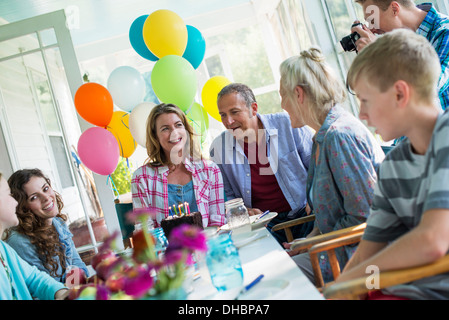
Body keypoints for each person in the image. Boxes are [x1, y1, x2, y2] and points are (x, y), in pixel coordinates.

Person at [336, 29, 449, 300]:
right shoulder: (393, 165)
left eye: (365, 100)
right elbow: (368, 251)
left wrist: (355, 280)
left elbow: (432, 242)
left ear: (399, 94)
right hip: (396, 290)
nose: (361, 114)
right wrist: (343, 288)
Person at [278, 47, 385, 285]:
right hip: (338, 246)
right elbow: (329, 215)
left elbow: (364, 217)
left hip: (362, 256)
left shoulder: (339, 136)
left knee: (280, 282)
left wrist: (313, 245)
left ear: (298, 94)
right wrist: (307, 241)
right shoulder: (323, 135)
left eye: (282, 95)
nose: (281, 104)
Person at [209, 83, 314, 244]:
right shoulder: (219, 147)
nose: (228, 121)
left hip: (306, 213)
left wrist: (314, 197)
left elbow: (318, 166)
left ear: (254, 108)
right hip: (263, 225)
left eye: (234, 112)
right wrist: (245, 212)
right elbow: (227, 196)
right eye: (223, 115)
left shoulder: (288, 124)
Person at [131, 103, 226, 228]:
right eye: (165, 128)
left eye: (178, 125)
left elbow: (217, 222)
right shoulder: (142, 178)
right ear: (155, 136)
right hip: (167, 247)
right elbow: (145, 231)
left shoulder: (210, 170)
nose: (174, 133)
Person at [351, 0, 449, 110]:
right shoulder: (399, 43)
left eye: (373, 20)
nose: (373, 29)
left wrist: (379, 53)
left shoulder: (445, 32)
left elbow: (428, 87)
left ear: (394, 9)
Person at [5, 168, 89, 284]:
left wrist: (75, 284)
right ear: (22, 207)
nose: (46, 198)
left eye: (45, 189)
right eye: (34, 197)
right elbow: (45, 289)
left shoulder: (58, 223)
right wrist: (73, 283)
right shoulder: (19, 241)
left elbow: (78, 265)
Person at [0, 171, 68, 300]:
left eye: (46, 188)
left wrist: (64, 293)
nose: (15, 203)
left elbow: (35, 279)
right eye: (8, 195)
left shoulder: (3, 249)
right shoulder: (17, 242)